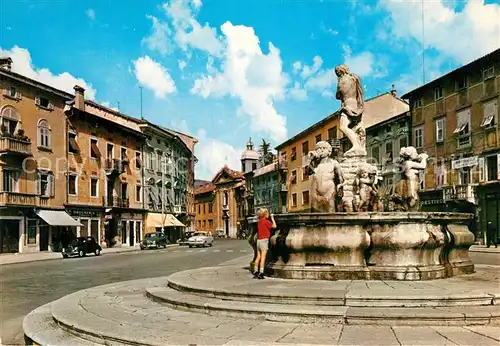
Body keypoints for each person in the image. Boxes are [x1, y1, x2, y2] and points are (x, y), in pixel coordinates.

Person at [253, 208, 276, 279]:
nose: (268, 214)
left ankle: (255, 271)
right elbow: (274, 226)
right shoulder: (266, 221)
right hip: (264, 241)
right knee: (263, 258)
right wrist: (272, 218)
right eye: (268, 213)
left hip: (258, 241)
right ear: (265, 214)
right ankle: (261, 272)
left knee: (258, 257)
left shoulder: (259, 221)